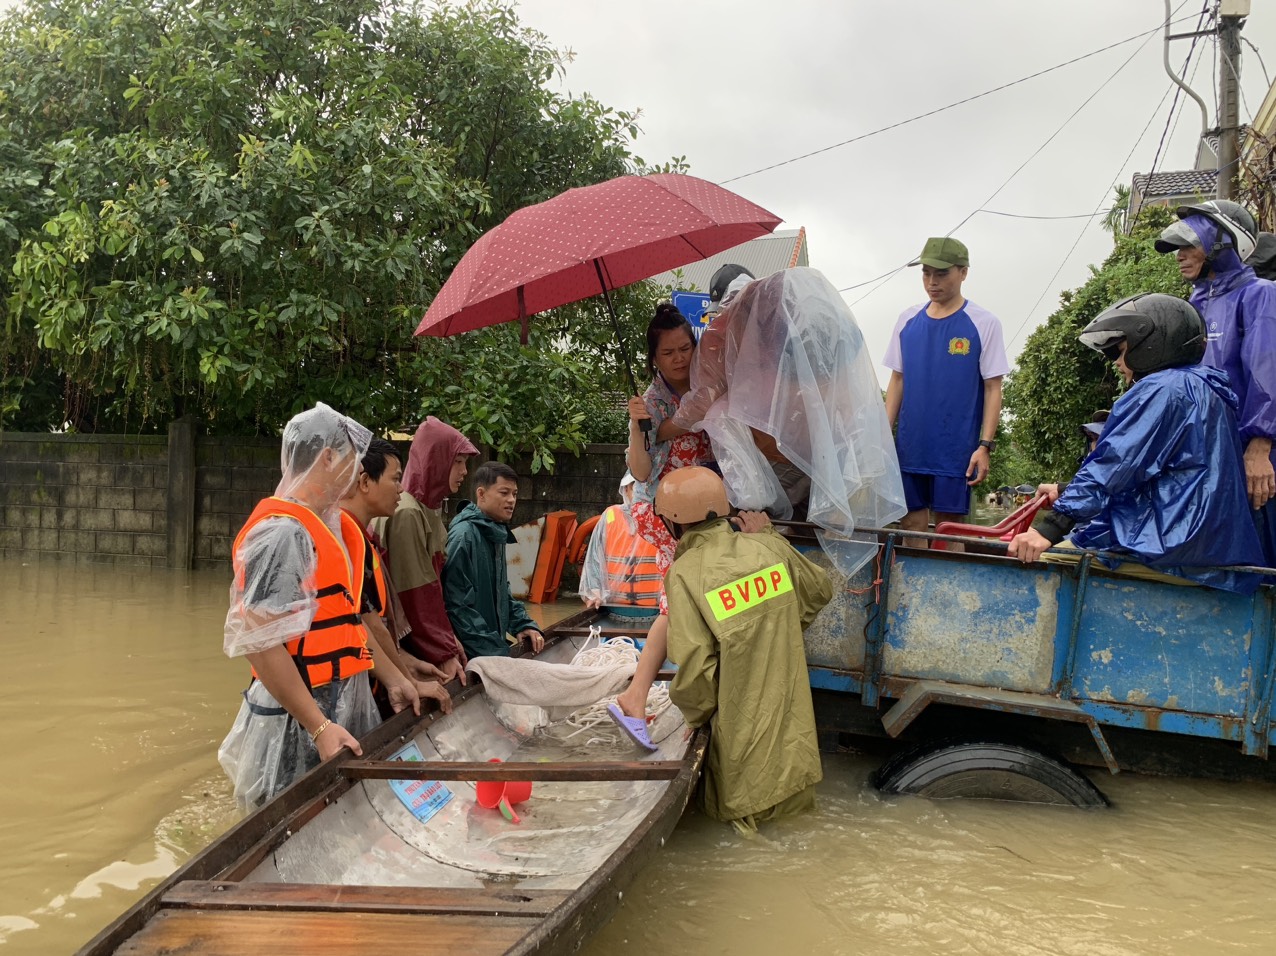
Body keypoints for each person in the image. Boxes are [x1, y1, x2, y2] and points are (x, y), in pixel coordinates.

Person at [217, 404, 420, 810]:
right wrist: (319, 726)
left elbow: (347, 621)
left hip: (342, 700)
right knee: (283, 817)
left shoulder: (330, 525)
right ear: (328, 457)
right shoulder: (281, 534)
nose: (354, 472)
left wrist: (392, 677)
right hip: (298, 720)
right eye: (350, 460)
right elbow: (261, 641)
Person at [1008, 293, 1264, 594]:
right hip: (1202, 544)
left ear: (1151, 343)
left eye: (1120, 351)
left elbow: (1115, 464)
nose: (1117, 363)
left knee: (1046, 565)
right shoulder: (1202, 387)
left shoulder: (1160, 389)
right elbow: (1160, 475)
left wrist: (1050, 528)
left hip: (1170, 545)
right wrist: (1065, 491)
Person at [652, 466, 833, 830]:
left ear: (673, 523)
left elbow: (696, 668)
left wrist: (692, 718)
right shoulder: (766, 547)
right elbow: (818, 590)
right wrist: (770, 537)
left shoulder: (685, 572)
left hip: (744, 769)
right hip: (797, 758)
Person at [1154, 200, 1276, 567]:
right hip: (1208, 459)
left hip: (1251, 460)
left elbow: (1266, 371)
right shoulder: (1196, 302)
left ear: (1225, 243)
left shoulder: (1259, 294)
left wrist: (1260, 448)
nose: (1179, 255)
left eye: (1190, 244)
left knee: (1259, 568)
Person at [614, 303, 715, 743]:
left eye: (685, 347)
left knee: (697, 593)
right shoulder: (649, 401)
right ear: (653, 358)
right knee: (678, 599)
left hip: (703, 508)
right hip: (663, 511)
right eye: (668, 352)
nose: (679, 358)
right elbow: (639, 473)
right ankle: (636, 695)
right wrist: (640, 427)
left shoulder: (708, 383)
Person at [884, 237, 1010, 545]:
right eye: (926, 273)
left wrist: (985, 446)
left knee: (950, 529)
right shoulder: (907, 320)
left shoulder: (984, 323)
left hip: (956, 451)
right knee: (911, 524)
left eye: (941, 274)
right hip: (910, 446)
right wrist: (883, 436)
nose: (932, 282)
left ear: (963, 272)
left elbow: (993, 387)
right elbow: (897, 380)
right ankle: (908, 591)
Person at [339, 437, 452, 716]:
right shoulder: (346, 541)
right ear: (365, 482)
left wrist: (406, 662)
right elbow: (367, 622)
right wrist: (405, 680)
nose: (401, 489)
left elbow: (376, 622)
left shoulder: (362, 539)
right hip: (348, 690)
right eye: (395, 479)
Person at [372, 417, 476, 687]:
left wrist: (448, 641)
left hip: (415, 642)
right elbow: (415, 594)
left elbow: (431, 591)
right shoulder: (407, 512)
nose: (464, 471)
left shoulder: (426, 508)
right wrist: (442, 651)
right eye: (458, 461)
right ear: (436, 459)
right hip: (407, 646)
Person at [444, 461, 544, 659]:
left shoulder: (494, 531)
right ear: (481, 494)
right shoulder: (464, 536)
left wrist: (523, 624)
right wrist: (495, 652)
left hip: (490, 646)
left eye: (514, 494)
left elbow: (502, 594)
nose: (511, 500)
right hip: (473, 654)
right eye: (504, 492)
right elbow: (457, 607)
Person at [578, 472, 662, 609]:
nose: (640, 491)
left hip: (654, 610)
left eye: (645, 486)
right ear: (626, 489)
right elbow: (594, 561)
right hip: (612, 607)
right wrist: (595, 594)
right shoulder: (610, 516)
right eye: (635, 486)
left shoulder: (662, 518)